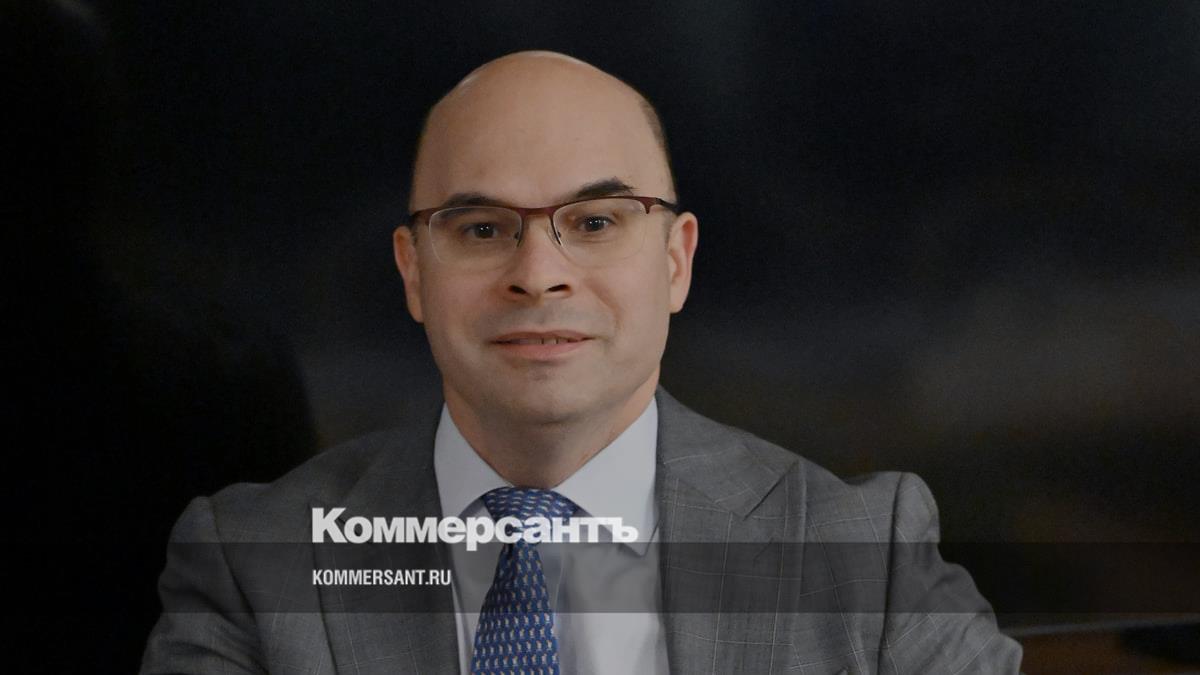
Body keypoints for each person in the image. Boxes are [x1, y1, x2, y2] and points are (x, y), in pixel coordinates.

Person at [142, 51, 1022, 674]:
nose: (538, 273)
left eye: (596, 222)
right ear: (413, 272)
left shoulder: (866, 554)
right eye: (481, 228)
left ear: (675, 260)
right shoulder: (251, 563)